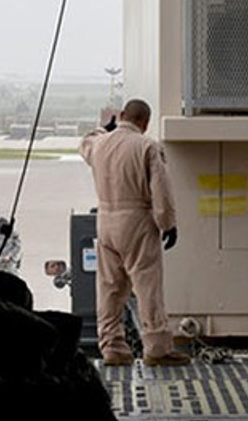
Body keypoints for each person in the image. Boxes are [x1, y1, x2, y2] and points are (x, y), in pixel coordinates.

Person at [79, 99, 190, 367]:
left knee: (109, 288)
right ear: (146, 122)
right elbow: (161, 191)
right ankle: (157, 348)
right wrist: (168, 224)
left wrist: (103, 129)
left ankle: (112, 347)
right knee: (147, 287)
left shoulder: (100, 144)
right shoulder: (147, 146)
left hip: (105, 221)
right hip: (137, 220)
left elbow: (85, 142)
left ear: (120, 116)